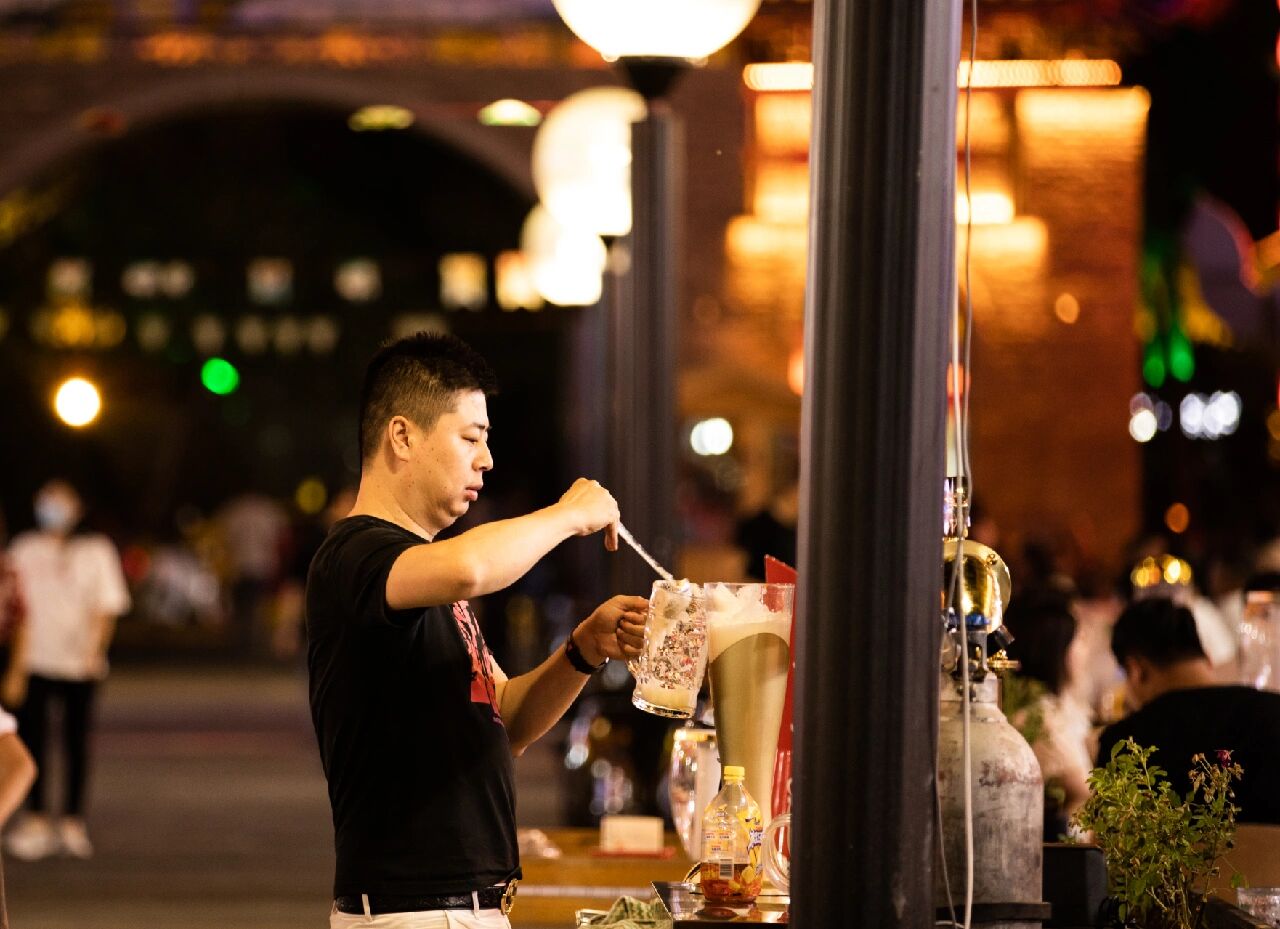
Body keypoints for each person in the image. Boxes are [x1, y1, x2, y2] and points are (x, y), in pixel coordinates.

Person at [306, 333, 646, 928]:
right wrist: (567, 515)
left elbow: (506, 719)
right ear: (403, 436)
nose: (486, 459)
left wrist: (583, 649)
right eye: (471, 438)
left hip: (463, 909)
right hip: (411, 913)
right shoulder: (356, 552)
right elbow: (472, 568)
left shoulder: (423, 573)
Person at [4, 480, 130, 860]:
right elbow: (13, 608)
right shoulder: (24, 548)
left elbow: (107, 605)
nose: (52, 508)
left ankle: (73, 821)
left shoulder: (95, 550)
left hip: (79, 664)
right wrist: (14, 667)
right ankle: (36, 819)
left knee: (76, 742)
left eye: (61, 501)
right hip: (34, 661)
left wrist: (95, 649)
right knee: (32, 741)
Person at [1097, 596, 1280, 824]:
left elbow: (1105, 845)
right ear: (1208, 659)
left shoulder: (1123, 742)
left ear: (1136, 670)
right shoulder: (1272, 712)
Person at [1005, 589, 1094, 838]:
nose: (1086, 649)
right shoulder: (1040, 718)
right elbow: (1083, 790)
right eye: (1080, 639)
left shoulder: (1053, 709)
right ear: (1059, 650)